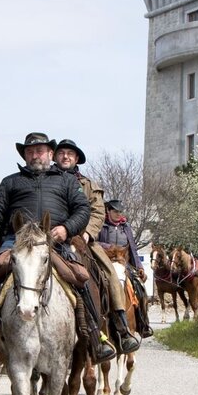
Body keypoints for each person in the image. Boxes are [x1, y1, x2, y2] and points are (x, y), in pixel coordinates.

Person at [0, 132, 116, 364]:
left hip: (55, 242)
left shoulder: (66, 181)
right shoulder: (10, 182)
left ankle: (96, 337)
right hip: (16, 242)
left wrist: (66, 229)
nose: (36, 155)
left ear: (49, 153)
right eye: (30, 151)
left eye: (40, 151)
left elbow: (82, 210)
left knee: (80, 279)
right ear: (25, 155)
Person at [54, 139, 141, 353]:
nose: (65, 156)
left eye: (70, 154)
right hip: (52, 238)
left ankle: (121, 326)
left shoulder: (89, 185)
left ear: (76, 159)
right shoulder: (46, 181)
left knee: (110, 273)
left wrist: (86, 234)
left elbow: (97, 212)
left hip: (82, 239)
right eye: (62, 153)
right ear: (55, 156)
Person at [98, 198, 154, 338]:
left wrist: (139, 266)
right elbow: (95, 242)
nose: (118, 214)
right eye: (115, 212)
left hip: (124, 264)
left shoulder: (126, 227)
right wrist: (109, 247)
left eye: (120, 212)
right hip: (106, 264)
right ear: (108, 211)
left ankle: (143, 323)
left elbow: (133, 248)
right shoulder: (101, 225)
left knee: (140, 288)